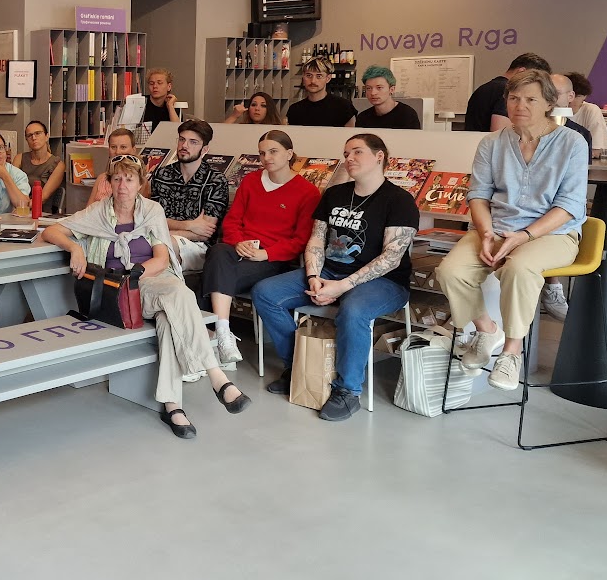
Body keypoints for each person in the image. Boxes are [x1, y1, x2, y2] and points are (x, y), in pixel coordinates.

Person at [42, 155, 250, 439]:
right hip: (121, 291)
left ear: (140, 183)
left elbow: (162, 259)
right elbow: (52, 230)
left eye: (129, 179)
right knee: (179, 293)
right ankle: (217, 376)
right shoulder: (97, 212)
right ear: (109, 182)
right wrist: (75, 248)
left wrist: (136, 275)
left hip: (153, 281)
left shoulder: (152, 210)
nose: (123, 186)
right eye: (117, 179)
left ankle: (172, 405)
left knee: (168, 317)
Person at [437, 70, 588, 389]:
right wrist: (486, 233)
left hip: (553, 234)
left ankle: (511, 351)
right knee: (451, 271)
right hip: (497, 228)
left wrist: (524, 236)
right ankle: (486, 330)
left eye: (531, 99)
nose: (520, 105)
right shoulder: (492, 142)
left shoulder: (572, 142)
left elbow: (570, 205)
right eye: (514, 98)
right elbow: (478, 195)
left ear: (549, 103)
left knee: (519, 268)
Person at [253, 133, 418, 422]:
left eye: (357, 152)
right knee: (265, 293)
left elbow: (391, 258)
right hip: (329, 272)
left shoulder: (399, 200)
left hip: (384, 281)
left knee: (353, 310)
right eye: (346, 153)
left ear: (379, 156)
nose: (349, 158)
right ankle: (300, 367)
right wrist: (314, 276)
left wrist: (342, 286)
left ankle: (348, 391)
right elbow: (317, 240)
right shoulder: (335, 194)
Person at [200, 131, 321, 367]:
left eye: (273, 151)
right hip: (239, 251)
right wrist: (238, 242)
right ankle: (223, 335)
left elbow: (300, 240)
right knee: (218, 251)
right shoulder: (251, 181)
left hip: (271, 260)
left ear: (289, 153)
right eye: (262, 153)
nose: (267, 158)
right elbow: (232, 222)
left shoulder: (307, 192)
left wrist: (266, 254)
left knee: (205, 281)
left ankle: (211, 347)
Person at [144, 118, 230, 280]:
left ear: (205, 149)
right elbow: (153, 220)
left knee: (163, 245)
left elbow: (204, 234)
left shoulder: (215, 181)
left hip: (199, 248)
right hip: (161, 238)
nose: (185, 145)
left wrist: (165, 232)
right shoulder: (162, 175)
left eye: (193, 142)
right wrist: (190, 225)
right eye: (182, 139)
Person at [462, 52, 551, 132]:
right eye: (533, 78)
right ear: (521, 71)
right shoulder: (507, 90)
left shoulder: (484, 88)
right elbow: (500, 133)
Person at [284, 56, 357, 127]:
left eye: (319, 76)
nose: (313, 81)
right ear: (303, 77)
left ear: (328, 78)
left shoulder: (343, 107)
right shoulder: (295, 110)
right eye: (309, 75)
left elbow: (351, 133)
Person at [15, 119, 65, 213]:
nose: (34, 138)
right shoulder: (19, 158)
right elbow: (11, 186)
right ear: (26, 139)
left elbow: (43, 198)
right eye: (29, 135)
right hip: (17, 208)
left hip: (41, 212)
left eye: (37, 133)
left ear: (47, 136)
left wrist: (23, 206)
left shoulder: (58, 165)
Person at [355, 65, 421, 129]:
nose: (373, 93)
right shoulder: (363, 118)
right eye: (368, 88)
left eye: (379, 88)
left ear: (391, 89)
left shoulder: (407, 115)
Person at [86, 127, 139, 206]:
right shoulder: (101, 178)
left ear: (133, 150)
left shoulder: (138, 179)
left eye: (123, 147)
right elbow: (88, 209)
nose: (118, 152)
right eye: (113, 147)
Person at [551, 74, 594, 161]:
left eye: (556, 93)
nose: (549, 98)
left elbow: (582, 167)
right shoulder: (528, 130)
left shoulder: (581, 134)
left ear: (570, 96)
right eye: (544, 93)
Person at [568, 71, 607, 150]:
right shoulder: (553, 111)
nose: (571, 101)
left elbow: (596, 149)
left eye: (577, 96)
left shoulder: (591, 110)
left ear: (584, 97)